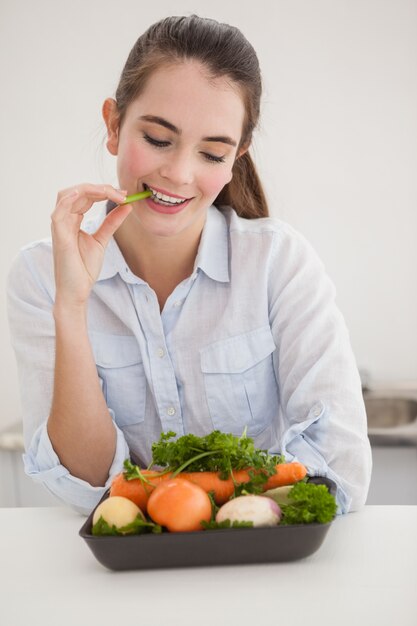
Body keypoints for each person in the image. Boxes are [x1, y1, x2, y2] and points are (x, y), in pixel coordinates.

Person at [7, 14, 372, 516]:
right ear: (113, 125)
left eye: (212, 153)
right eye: (158, 139)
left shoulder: (278, 263)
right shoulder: (40, 276)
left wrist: (204, 511)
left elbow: (341, 464)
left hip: (261, 562)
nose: (179, 174)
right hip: (122, 581)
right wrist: (72, 305)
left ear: (237, 156)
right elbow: (86, 484)